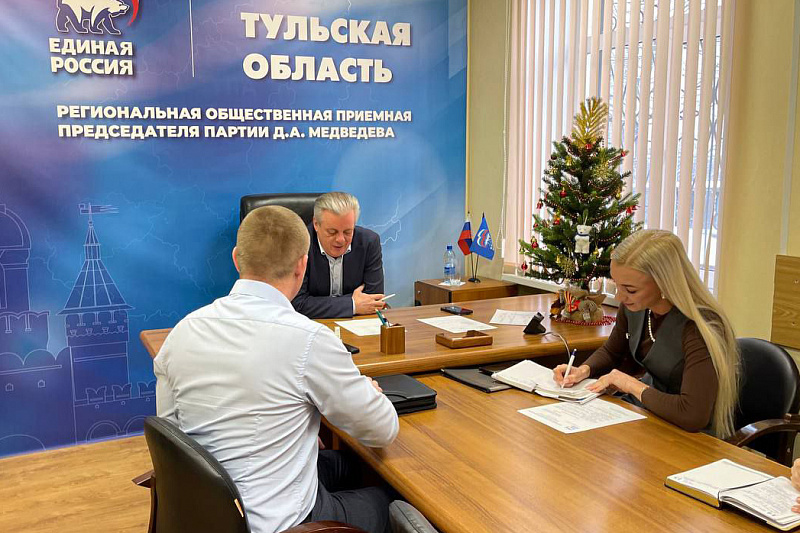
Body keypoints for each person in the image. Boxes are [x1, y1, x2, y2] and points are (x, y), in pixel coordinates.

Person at [154, 205, 399, 533]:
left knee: (349, 465)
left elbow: (174, 437)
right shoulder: (309, 340)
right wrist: (368, 392)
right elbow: (382, 430)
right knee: (392, 500)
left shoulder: (182, 332)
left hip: (205, 513)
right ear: (302, 264)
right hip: (280, 522)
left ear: (237, 259)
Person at [554, 229, 740, 438]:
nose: (620, 297)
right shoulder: (637, 307)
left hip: (690, 435)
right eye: (616, 285)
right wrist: (583, 370)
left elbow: (692, 415)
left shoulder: (702, 326)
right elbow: (613, 352)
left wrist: (630, 385)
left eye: (631, 290)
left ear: (664, 283)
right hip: (649, 417)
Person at [292, 192, 386, 319]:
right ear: (316, 224)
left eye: (348, 232)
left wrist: (318, 303)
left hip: (357, 323)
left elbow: (373, 300)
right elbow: (297, 304)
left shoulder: (369, 242)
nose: (340, 240)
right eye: (332, 232)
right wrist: (352, 304)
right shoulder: (299, 244)